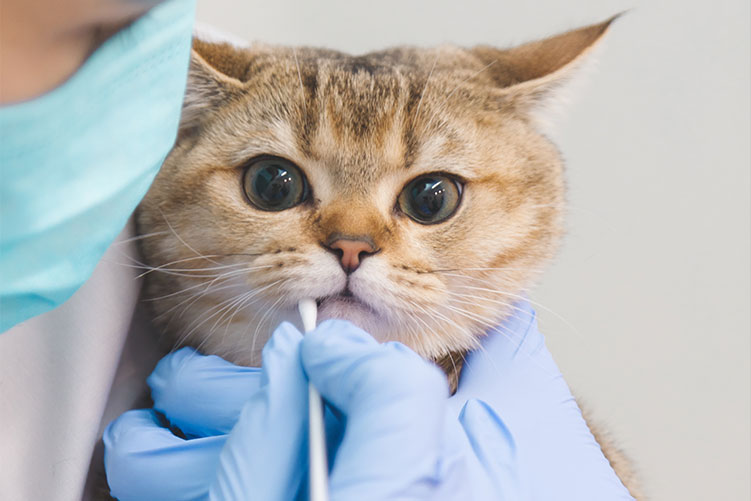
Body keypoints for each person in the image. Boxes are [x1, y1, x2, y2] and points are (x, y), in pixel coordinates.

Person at [0, 1, 634, 499]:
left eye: (429, 199)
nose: (352, 246)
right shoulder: (118, 128)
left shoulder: (529, 462)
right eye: (275, 184)